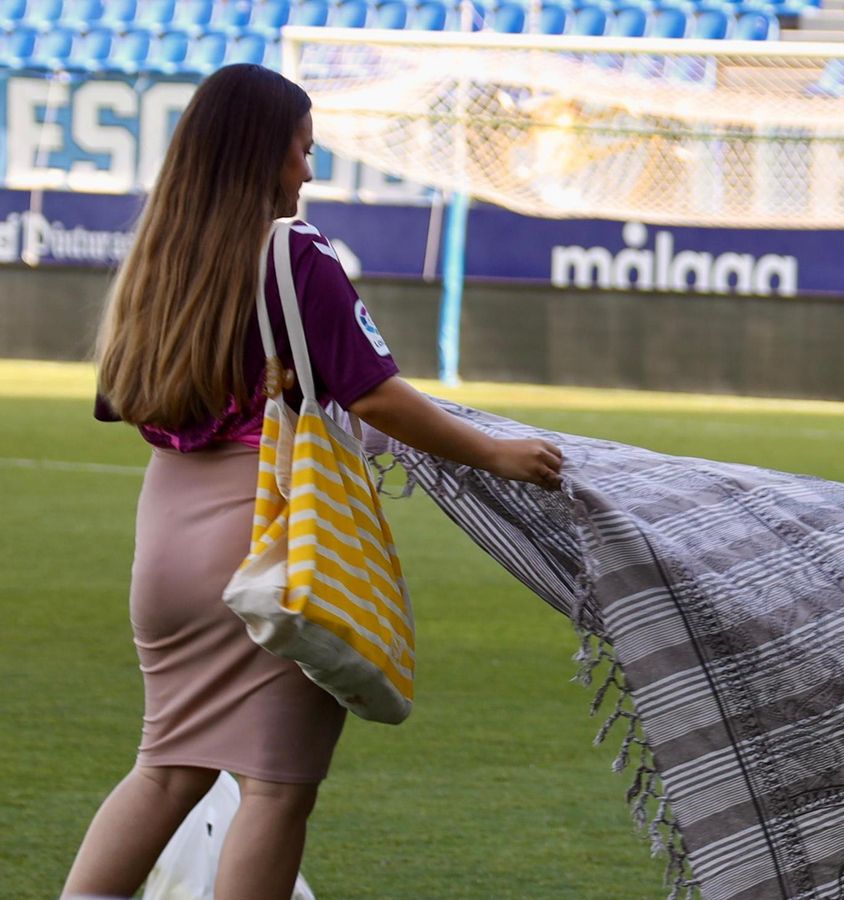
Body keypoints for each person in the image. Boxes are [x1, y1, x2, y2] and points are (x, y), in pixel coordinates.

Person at [66, 64, 563, 900]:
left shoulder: (160, 250)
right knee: (278, 785)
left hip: (165, 538)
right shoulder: (292, 250)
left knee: (165, 768)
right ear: (264, 152)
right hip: (269, 532)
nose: (310, 168)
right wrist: (497, 453)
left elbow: (118, 399)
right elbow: (375, 395)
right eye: (302, 147)